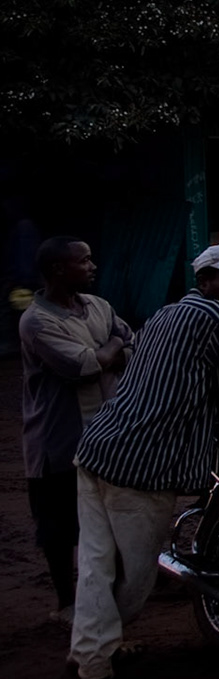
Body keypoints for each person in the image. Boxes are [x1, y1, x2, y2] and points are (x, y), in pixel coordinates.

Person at [68, 244, 219, 679]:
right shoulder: (214, 317)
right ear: (204, 281)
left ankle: (88, 653)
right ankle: (96, 667)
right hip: (141, 466)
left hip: (98, 447)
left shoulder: (165, 313)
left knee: (96, 563)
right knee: (135, 577)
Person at [18, 237, 130, 626]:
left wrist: (109, 352)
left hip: (106, 435)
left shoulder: (98, 306)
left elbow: (132, 347)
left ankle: (112, 593)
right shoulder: (36, 321)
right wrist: (111, 348)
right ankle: (66, 603)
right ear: (57, 270)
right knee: (59, 528)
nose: (92, 266)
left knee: (111, 516)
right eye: (83, 261)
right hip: (58, 442)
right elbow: (82, 366)